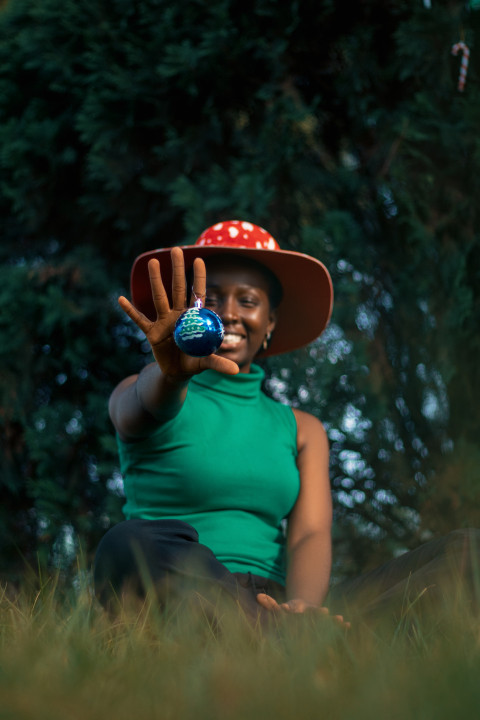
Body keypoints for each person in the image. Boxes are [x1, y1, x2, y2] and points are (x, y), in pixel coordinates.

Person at [94, 219, 480, 626]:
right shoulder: (144, 389)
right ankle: (291, 644)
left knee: (467, 551)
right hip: (198, 589)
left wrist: (304, 612)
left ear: (270, 322)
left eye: (247, 300)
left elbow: (309, 535)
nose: (228, 313)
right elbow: (137, 408)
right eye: (212, 299)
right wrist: (169, 375)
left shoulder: (302, 429)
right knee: (125, 545)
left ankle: (295, 640)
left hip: (279, 607)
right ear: (191, 312)